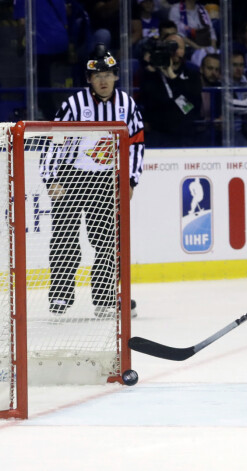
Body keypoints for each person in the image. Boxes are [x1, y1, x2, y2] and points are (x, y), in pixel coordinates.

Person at [42, 44, 144, 319]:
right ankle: (61, 295)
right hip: (70, 178)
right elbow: (54, 141)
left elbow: (135, 144)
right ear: (88, 79)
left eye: (107, 74)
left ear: (116, 76)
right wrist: (51, 179)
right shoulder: (74, 105)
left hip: (105, 180)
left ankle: (105, 298)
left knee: (107, 241)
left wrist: (131, 180)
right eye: (97, 75)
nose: (102, 79)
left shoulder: (127, 105)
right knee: (64, 238)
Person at [139, 33, 203, 147]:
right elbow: (149, 103)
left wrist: (171, 75)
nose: (174, 51)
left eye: (178, 47)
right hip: (158, 134)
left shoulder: (192, 74)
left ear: (184, 51)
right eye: (170, 46)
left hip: (185, 134)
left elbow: (189, 108)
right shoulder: (152, 75)